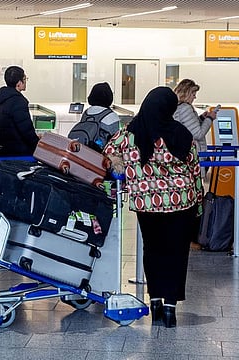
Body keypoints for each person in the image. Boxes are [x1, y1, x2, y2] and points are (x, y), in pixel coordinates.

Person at [103, 86, 203, 328]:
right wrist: (198, 201)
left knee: (153, 250)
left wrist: (123, 166)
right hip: (181, 203)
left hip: (147, 205)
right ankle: (170, 308)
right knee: (176, 254)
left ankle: (155, 301)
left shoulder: (129, 134)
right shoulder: (181, 133)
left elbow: (108, 154)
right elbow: (194, 169)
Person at [173, 79, 217, 179]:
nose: (195, 97)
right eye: (193, 94)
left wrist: (201, 119)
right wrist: (210, 119)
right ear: (187, 93)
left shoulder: (177, 107)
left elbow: (188, 128)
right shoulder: (186, 108)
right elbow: (198, 134)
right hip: (194, 155)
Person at [0, 65, 39, 156]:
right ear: (18, 83)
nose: (25, 82)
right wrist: (37, 145)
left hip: (2, 152)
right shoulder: (18, 102)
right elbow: (26, 130)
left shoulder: (1, 99)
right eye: (24, 79)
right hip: (17, 154)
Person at [68, 82, 120, 152]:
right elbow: (116, 141)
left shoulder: (86, 112)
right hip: (99, 154)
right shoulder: (112, 115)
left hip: (82, 151)